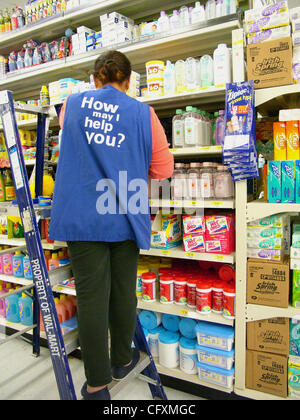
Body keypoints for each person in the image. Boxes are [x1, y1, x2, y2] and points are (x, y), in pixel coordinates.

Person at [49, 50, 174, 400]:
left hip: (83, 213)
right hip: (125, 211)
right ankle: (122, 359)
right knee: (123, 292)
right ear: (129, 80)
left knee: (91, 298)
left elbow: (72, 140)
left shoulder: (71, 105)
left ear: (95, 78)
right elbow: (163, 171)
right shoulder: (143, 114)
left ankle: (97, 384)